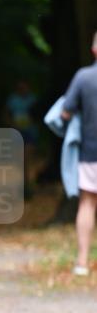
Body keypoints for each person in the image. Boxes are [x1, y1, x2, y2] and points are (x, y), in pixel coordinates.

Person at [61, 33, 97, 276]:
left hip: (90, 151)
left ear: (94, 50)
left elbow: (65, 113)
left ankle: (82, 262)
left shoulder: (83, 77)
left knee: (87, 203)